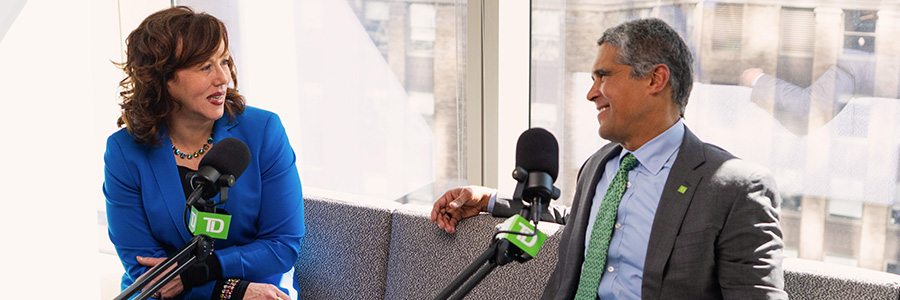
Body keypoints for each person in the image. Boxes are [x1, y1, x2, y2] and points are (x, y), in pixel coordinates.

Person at [431, 18, 786, 299]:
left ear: (655, 79)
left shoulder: (736, 188)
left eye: (603, 76)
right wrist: (489, 201)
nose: (590, 93)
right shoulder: (600, 166)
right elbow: (589, 222)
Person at [104, 6, 304, 300]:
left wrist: (205, 274)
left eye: (223, 61)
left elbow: (282, 245)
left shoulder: (263, 131)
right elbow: (146, 273)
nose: (223, 78)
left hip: (259, 291)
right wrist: (225, 291)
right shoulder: (124, 152)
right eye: (205, 67)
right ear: (164, 79)